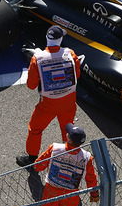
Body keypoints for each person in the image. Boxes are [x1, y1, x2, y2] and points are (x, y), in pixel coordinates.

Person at [16, 26, 81, 168]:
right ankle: (70, 158)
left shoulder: (37, 58)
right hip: (69, 101)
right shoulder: (70, 53)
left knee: (35, 130)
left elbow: (31, 85)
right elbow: (77, 75)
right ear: (61, 39)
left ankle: (32, 159)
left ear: (47, 38)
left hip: (48, 104)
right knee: (67, 130)